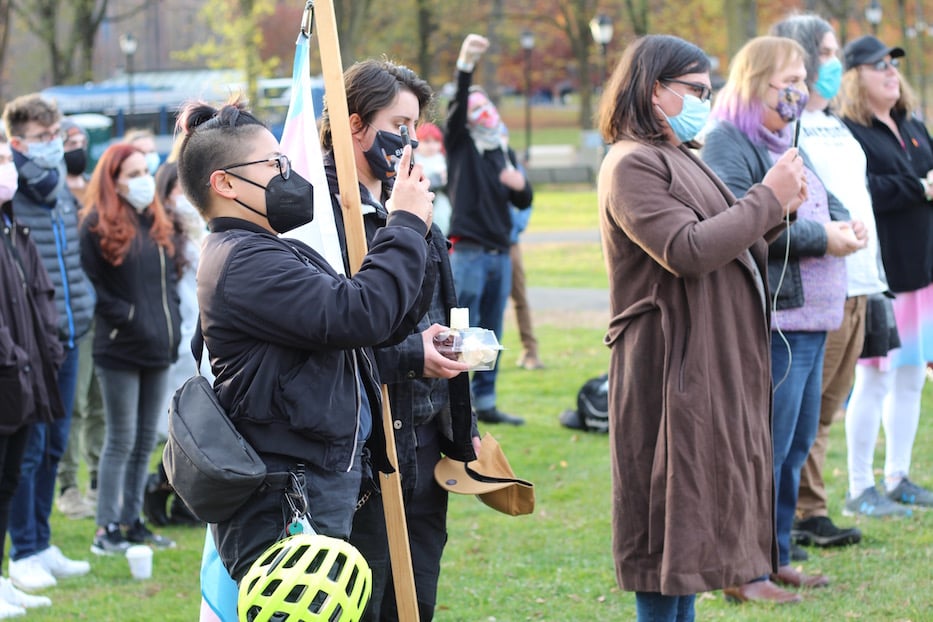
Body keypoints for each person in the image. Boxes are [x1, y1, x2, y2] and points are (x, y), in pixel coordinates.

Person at [174, 97, 432, 593]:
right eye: (274, 165)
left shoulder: (267, 248)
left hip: (310, 479)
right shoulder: (246, 261)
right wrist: (404, 224)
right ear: (224, 183)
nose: (288, 175)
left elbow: (368, 318)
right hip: (288, 494)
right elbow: (360, 313)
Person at [596, 34, 805, 620]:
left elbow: (723, 243)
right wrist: (766, 199)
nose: (703, 102)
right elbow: (685, 250)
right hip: (667, 366)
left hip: (709, 359)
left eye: (708, 91)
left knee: (691, 527)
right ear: (652, 88)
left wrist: (776, 210)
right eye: (693, 90)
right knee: (666, 525)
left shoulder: (682, 155)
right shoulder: (631, 163)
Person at [703, 35, 864, 602]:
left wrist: (843, 225)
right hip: (776, 319)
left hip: (814, 315)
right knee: (763, 447)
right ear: (756, 81)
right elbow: (742, 223)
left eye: (803, 79)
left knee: (793, 445)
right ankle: (745, 571)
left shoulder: (784, 134)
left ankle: (778, 553)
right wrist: (826, 237)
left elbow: (821, 194)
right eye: (789, 80)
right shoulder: (730, 140)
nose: (799, 89)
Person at [314, 58, 476, 621]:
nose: (409, 141)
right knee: (368, 600)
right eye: (398, 124)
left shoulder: (404, 198)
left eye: (415, 127)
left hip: (424, 438)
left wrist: (462, 412)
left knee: (417, 601)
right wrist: (411, 356)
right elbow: (333, 333)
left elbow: (437, 307)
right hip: (365, 448)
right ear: (354, 125)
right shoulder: (319, 214)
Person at [770, 14, 885, 552]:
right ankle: (802, 514)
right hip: (820, 288)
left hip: (860, 278)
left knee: (830, 405)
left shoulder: (835, 122)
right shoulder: (790, 128)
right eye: (831, 52)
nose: (837, 63)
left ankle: (808, 507)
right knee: (804, 416)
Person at [2, 93, 94, 593]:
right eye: (41, 139)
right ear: (16, 142)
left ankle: (42, 541)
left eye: (55, 136)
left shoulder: (59, 187)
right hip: (32, 340)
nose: (52, 147)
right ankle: (25, 550)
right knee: (30, 448)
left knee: (57, 443)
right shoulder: (9, 191)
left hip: (71, 330)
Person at [838, 35, 933, 515]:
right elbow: (862, 191)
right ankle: (860, 488)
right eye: (879, 67)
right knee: (873, 379)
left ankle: (898, 477)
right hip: (880, 276)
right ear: (856, 77)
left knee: (912, 377)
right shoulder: (847, 132)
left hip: (922, 273)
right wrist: (917, 187)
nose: (891, 73)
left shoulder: (911, 125)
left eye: (894, 65)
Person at [79, 142, 181, 555]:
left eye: (145, 171)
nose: (143, 180)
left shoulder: (154, 220)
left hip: (158, 347)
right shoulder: (94, 224)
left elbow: (167, 283)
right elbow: (94, 290)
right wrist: (131, 318)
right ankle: (107, 529)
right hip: (120, 349)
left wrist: (168, 326)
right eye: (133, 174)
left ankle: (132, 520)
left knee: (143, 441)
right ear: (113, 180)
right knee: (120, 439)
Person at [446, 33, 533, 426]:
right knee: (465, 329)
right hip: (468, 252)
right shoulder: (461, 143)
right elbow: (459, 103)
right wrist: (466, 65)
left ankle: (485, 401)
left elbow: (523, 200)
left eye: (486, 105)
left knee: (490, 329)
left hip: (501, 251)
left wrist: (522, 187)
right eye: (475, 106)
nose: (483, 112)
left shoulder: (502, 149)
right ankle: (456, 403)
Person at [0, 128, 60, 615]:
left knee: (9, 478)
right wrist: (14, 358)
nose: (7, 170)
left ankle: (3, 577)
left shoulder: (11, 227)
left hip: (22, 377)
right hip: (8, 372)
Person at [56, 118, 103, 521]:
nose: (77, 147)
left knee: (99, 403)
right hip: (70, 312)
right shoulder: (49, 194)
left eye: (81, 141)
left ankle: (99, 481)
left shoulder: (94, 189)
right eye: (69, 141)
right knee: (73, 404)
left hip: (102, 309)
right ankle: (69, 485)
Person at [416, 122, 451, 236]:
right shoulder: (415, 162)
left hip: (444, 211)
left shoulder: (443, 160)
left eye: (436, 141)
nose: (432, 146)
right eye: (426, 141)